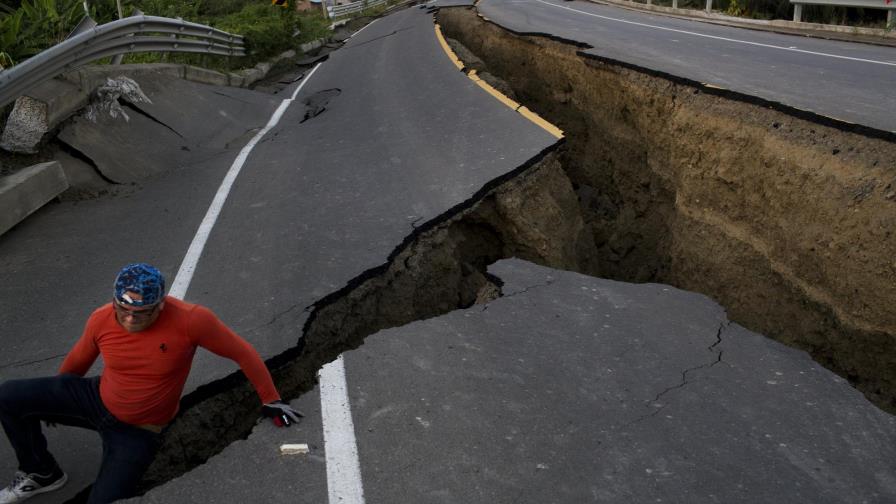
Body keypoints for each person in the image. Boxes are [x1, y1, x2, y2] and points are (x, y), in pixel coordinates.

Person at [0, 263, 302, 504]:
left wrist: (270, 398)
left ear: (160, 305)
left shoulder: (191, 320)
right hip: (96, 398)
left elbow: (243, 353)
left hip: (138, 431)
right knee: (8, 396)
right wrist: (53, 400)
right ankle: (41, 472)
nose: (130, 320)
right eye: (124, 310)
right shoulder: (101, 318)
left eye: (141, 313)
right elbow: (78, 361)